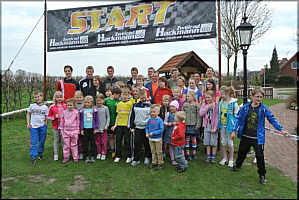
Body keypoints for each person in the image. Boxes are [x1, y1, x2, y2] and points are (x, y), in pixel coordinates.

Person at [231, 87, 288, 184]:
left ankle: (262, 175)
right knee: (241, 152)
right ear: (252, 96)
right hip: (245, 136)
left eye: (261, 97)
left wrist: (280, 130)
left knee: (260, 157)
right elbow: (238, 119)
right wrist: (233, 130)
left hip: (257, 138)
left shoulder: (264, 109)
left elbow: (272, 119)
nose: (259, 99)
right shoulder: (245, 107)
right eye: (257, 96)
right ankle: (237, 166)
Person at [129, 89, 152, 166]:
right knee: (137, 143)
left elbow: (152, 117)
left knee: (147, 144)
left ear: (147, 96)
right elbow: (132, 117)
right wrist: (132, 127)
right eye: (141, 97)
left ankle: (147, 157)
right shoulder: (135, 105)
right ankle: (136, 159)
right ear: (139, 97)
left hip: (146, 128)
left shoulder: (150, 106)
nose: (143, 99)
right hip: (137, 128)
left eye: (144, 97)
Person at [218, 86, 239, 168]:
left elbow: (237, 116)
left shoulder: (234, 104)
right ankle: (224, 158)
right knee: (223, 141)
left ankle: (231, 159)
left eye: (223, 94)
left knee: (230, 142)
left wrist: (234, 129)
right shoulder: (221, 102)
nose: (222, 95)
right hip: (222, 125)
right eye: (221, 94)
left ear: (228, 94)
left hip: (230, 127)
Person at [111, 87, 134, 163]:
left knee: (127, 141)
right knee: (118, 141)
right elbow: (117, 115)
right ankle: (118, 156)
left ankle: (129, 156)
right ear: (121, 95)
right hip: (119, 125)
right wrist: (115, 125)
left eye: (126, 94)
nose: (125, 96)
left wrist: (131, 126)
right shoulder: (119, 104)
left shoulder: (131, 103)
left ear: (129, 95)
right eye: (123, 94)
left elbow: (132, 116)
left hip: (127, 125)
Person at [26, 91, 49, 164]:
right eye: (35, 97)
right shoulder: (32, 106)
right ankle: (33, 156)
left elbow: (46, 117)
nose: (37, 98)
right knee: (34, 142)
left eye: (39, 96)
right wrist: (28, 123)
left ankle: (40, 153)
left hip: (42, 127)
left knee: (42, 141)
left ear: (42, 97)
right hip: (33, 127)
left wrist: (45, 125)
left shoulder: (45, 107)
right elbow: (28, 114)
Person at [200, 90, 219, 164]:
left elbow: (217, 117)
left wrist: (215, 128)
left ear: (213, 97)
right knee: (207, 142)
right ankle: (208, 156)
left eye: (209, 97)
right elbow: (201, 113)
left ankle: (213, 156)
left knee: (213, 142)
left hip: (213, 126)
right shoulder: (204, 105)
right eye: (206, 97)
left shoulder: (216, 105)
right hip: (206, 126)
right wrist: (207, 107)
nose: (207, 99)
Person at [182, 91, 202, 161]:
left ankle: (194, 153)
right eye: (187, 96)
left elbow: (199, 116)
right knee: (187, 140)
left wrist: (198, 125)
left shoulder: (197, 105)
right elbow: (182, 114)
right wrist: (183, 123)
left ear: (193, 97)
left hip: (194, 125)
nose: (187, 98)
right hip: (186, 125)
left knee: (194, 140)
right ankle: (187, 154)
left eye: (189, 96)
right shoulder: (185, 105)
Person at [59, 98, 80, 164]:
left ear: (74, 105)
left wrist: (77, 130)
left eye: (71, 105)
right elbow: (62, 121)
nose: (69, 106)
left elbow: (78, 121)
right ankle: (66, 157)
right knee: (66, 145)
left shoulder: (76, 112)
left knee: (74, 145)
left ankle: (75, 157)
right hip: (65, 131)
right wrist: (61, 130)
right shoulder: (64, 112)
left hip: (74, 131)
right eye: (68, 105)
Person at [48, 91, 67, 161]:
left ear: (62, 98)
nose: (59, 99)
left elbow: (68, 115)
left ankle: (65, 154)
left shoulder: (65, 106)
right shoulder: (52, 107)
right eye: (57, 97)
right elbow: (48, 117)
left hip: (64, 127)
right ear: (55, 98)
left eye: (60, 97)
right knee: (56, 140)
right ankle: (56, 154)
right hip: (55, 127)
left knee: (63, 140)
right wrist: (54, 116)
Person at [79, 96, 99, 163]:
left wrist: (95, 128)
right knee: (85, 143)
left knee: (93, 143)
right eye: (86, 102)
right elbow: (81, 120)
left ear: (92, 103)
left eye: (88, 102)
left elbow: (96, 119)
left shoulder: (94, 110)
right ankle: (86, 156)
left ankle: (93, 155)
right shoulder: (82, 110)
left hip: (92, 129)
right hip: (85, 129)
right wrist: (81, 129)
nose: (87, 104)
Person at [104, 87, 121, 159]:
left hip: (117, 122)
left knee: (116, 137)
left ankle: (117, 150)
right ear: (114, 94)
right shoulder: (106, 100)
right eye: (118, 95)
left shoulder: (119, 101)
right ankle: (112, 149)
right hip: (109, 122)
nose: (119, 97)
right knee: (110, 136)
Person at [146, 104, 164, 170]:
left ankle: (160, 163)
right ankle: (154, 162)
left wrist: (153, 133)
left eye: (154, 112)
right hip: (151, 139)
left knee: (158, 151)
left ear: (158, 112)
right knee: (153, 151)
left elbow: (161, 129)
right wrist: (147, 133)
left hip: (158, 139)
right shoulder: (150, 120)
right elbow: (147, 127)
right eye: (151, 112)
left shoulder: (160, 120)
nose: (152, 113)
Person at [95, 93, 110, 160]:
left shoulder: (105, 108)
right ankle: (99, 152)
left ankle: (104, 153)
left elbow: (108, 118)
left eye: (100, 100)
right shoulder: (94, 108)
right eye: (97, 100)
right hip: (97, 128)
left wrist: (106, 125)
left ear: (103, 100)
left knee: (104, 141)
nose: (99, 102)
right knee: (98, 141)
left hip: (104, 128)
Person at [164, 100, 179, 165]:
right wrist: (167, 124)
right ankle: (172, 159)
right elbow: (164, 122)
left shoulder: (179, 114)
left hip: (177, 132)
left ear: (176, 107)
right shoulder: (168, 114)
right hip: (169, 132)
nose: (171, 108)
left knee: (177, 146)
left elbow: (182, 122)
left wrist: (176, 123)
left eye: (173, 106)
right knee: (170, 146)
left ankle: (178, 158)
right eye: (170, 106)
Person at [74, 90, 84, 159]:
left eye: (80, 97)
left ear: (82, 97)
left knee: (81, 140)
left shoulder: (84, 105)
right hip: (74, 125)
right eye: (77, 97)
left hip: (82, 124)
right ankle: (75, 152)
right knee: (75, 140)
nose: (79, 99)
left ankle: (81, 152)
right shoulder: (74, 105)